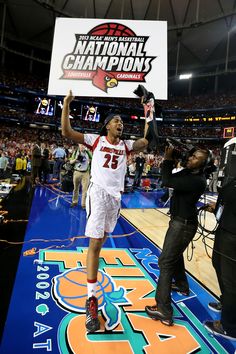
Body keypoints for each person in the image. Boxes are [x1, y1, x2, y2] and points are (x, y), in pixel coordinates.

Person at [61, 90, 150, 333]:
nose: (120, 123)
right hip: (98, 193)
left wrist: (149, 111)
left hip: (115, 196)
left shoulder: (127, 145)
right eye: (116, 120)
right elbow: (67, 132)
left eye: (121, 121)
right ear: (107, 125)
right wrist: (67, 105)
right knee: (95, 244)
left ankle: (91, 295)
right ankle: (91, 299)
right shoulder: (95, 140)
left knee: (100, 243)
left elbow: (147, 139)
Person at [145, 145, 210, 325]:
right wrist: (177, 160)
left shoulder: (197, 180)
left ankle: (164, 310)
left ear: (204, 164)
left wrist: (166, 159)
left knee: (165, 261)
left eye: (195, 157)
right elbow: (173, 177)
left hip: (183, 225)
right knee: (174, 256)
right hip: (180, 222)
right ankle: (181, 285)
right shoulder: (190, 173)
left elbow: (166, 180)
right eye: (191, 155)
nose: (190, 158)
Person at [204, 177, 236, 340]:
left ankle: (229, 327)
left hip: (233, 236)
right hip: (224, 230)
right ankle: (227, 305)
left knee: (231, 280)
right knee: (218, 265)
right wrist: (217, 209)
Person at [70, 144, 92, 208]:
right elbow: (71, 162)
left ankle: (83, 204)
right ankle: (74, 202)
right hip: (77, 172)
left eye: (84, 145)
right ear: (79, 145)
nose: (82, 146)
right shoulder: (75, 152)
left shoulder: (88, 152)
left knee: (85, 189)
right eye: (81, 145)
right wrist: (76, 160)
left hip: (86, 173)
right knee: (75, 188)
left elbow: (93, 158)